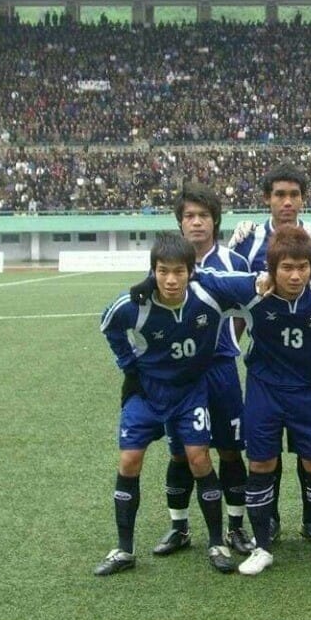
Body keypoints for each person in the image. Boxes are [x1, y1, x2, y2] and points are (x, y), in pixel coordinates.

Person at [195, 226, 311, 575]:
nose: (295, 276)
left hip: (309, 393)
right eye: (286, 268)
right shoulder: (252, 290)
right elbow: (202, 276)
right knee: (261, 464)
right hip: (264, 391)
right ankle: (262, 547)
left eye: (302, 267)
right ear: (271, 269)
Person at [95, 233, 234, 576]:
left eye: (178, 272)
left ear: (191, 272)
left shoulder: (207, 299)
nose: (171, 280)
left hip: (189, 392)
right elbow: (108, 324)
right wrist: (129, 367)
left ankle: (217, 542)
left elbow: (248, 287)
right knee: (129, 460)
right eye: (163, 271)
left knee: (199, 457)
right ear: (153, 272)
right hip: (147, 392)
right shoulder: (134, 305)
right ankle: (124, 550)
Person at [230, 164, 311, 543]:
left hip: (307, 365)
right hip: (266, 362)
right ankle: (269, 520)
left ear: (303, 199)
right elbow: (237, 294)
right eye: (280, 195)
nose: (287, 202)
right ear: (267, 199)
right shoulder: (247, 240)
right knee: (265, 449)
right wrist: (231, 344)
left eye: (294, 195)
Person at [152, 185, 255, 560]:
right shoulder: (166, 264)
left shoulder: (233, 262)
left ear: (215, 221)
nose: (196, 222)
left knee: (229, 450)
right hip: (180, 375)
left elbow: (246, 311)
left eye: (204, 216)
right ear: (180, 223)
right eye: (189, 216)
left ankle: (236, 527)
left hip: (221, 370)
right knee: (181, 453)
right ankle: (179, 528)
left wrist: (227, 342)